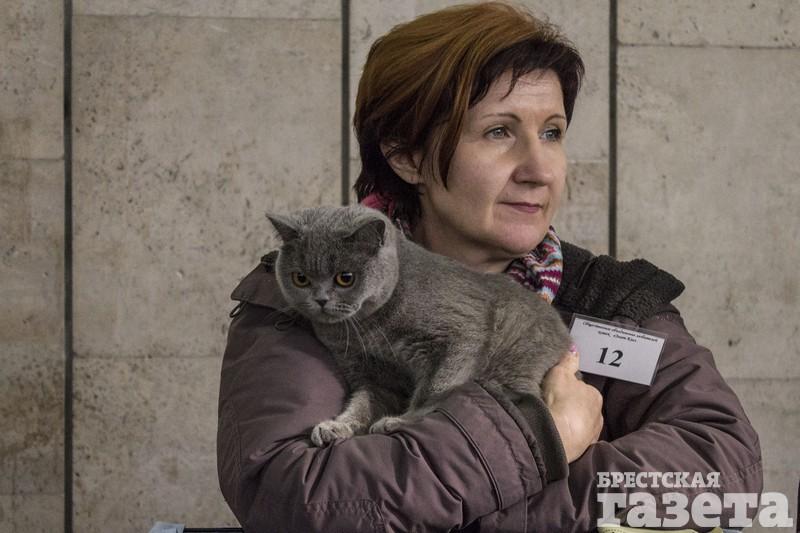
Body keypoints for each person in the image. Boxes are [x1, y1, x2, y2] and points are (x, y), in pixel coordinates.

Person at [216, 3, 762, 531]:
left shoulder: (612, 302)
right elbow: (294, 498)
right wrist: (539, 436)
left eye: (552, 132)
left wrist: (478, 503)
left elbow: (720, 469)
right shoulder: (307, 297)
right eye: (499, 132)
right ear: (406, 156)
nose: (539, 169)